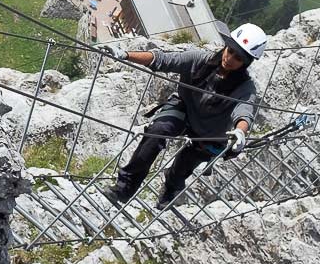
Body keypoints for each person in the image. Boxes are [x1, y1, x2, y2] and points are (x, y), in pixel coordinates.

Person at [102, 23, 267, 208]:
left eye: (238, 58)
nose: (230, 58)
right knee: (157, 131)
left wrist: (240, 132)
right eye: (231, 50)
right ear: (226, 46)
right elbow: (164, 59)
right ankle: (125, 187)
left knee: (185, 164)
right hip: (184, 108)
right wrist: (125, 55)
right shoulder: (200, 59)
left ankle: (171, 189)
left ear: (246, 63)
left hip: (210, 131)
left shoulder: (245, 87)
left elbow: (244, 111)